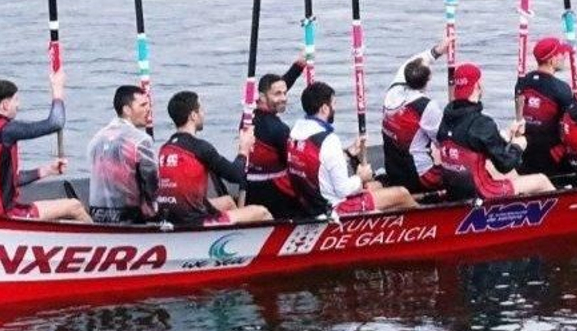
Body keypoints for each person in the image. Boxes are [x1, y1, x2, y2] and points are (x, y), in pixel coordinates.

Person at [0, 69, 90, 222]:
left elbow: (8, 180)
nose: (18, 105)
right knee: (75, 206)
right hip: (5, 216)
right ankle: (101, 236)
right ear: (5, 105)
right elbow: (56, 122)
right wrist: (57, 90)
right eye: (16, 100)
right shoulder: (6, 131)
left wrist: (47, 170)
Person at [288, 82, 417, 216]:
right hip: (333, 208)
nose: (335, 108)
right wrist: (360, 177)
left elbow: (320, 162)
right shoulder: (329, 141)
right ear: (325, 108)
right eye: (334, 103)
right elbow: (343, 190)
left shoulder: (295, 132)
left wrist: (349, 153)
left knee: (377, 186)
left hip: (311, 201)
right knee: (402, 194)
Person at [438, 63, 555, 199]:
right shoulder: (482, 123)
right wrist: (519, 145)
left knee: (512, 174)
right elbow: (505, 165)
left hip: (455, 187)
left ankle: (521, 204)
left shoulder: (446, 119)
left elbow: (473, 142)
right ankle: (559, 209)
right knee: (541, 180)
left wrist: (508, 134)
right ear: (478, 86)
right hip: (481, 192)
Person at [158, 91, 272, 226]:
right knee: (262, 212)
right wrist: (244, 149)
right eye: (201, 110)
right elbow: (235, 175)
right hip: (193, 222)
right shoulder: (200, 148)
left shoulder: (165, 148)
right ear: (193, 116)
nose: (203, 114)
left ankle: (238, 234)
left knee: (228, 202)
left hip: (171, 216)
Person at [243, 58, 309, 219]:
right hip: (274, 195)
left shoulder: (248, 113)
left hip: (249, 188)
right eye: (278, 94)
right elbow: (294, 165)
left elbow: (277, 87)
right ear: (262, 97)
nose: (284, 98)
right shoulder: (279, 130)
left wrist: (299, 65)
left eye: (285, 93)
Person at [381, 37, 449, 193]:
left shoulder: (392, 92)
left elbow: (412, 62)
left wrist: (437, 51)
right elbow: (444, 142)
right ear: (429, 79)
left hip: (393, 171)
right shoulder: (426, 107)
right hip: (419, 177)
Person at [87, 84, 160, 224]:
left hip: (97, 214)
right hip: (128, 216)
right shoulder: (141, 140)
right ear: (127, 109)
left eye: (148, 105)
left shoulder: (96, 139)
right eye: (143, 105)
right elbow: (152, 183)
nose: (148, 110)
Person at [513, 36, 575, 176]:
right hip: (551, 159)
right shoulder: (561, 88)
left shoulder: (522, 83)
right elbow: (569, 128)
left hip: (526, 154)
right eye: (561, 54)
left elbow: (519, 116)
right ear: (551, 60)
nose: (564, 57)